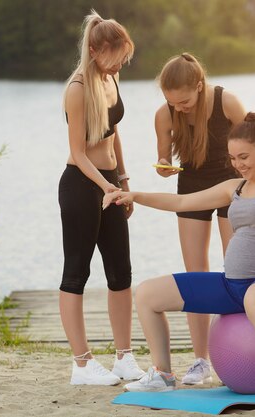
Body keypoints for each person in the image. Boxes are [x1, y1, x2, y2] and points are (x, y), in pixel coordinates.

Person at [104, 113, 255, 411]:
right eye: (233, 158)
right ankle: (162, 374)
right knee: (148, 293)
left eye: (244, 156)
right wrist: (133, 195)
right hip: (231, 286)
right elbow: (183, 202)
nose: (239, 163)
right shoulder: (234, 188)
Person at [58, 10, 144, 386]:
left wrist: (121, 180)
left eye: (124, 57)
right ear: (95, 50)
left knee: (121, 272)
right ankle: (82, 364)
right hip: (81, 184)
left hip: (110, 182)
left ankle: (124, 356)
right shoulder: (77, 88)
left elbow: (113, 134)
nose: (120, 63)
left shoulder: (112, 79)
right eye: (116, 56)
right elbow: (78, 152)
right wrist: (105, 186)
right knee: (76, 271)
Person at [153, 52, 247, 384]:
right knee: (196, 273)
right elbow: (164, 157)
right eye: (172, 103)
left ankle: (242, 351)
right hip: (190, 186)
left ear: (200, 86)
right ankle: (200, 360)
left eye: (185, 101)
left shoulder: (228, 103)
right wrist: (164, 164)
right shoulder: (164, 115)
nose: (179, 108)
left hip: (230, 186)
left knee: (236, 269)